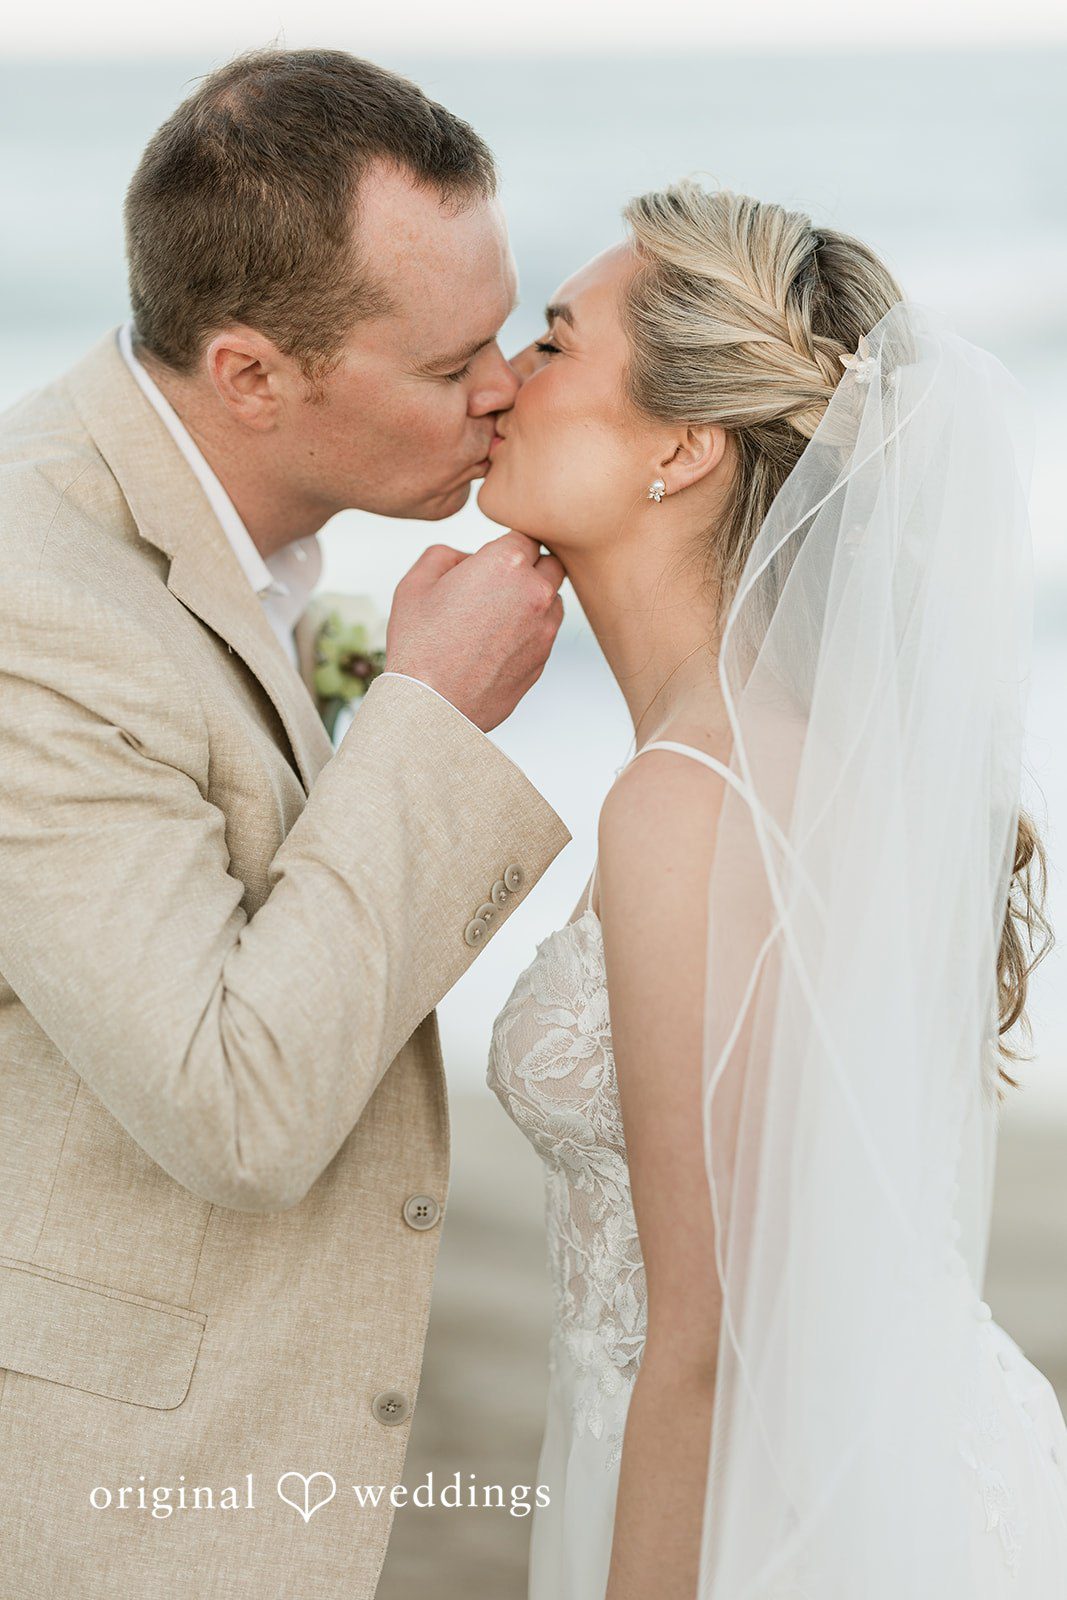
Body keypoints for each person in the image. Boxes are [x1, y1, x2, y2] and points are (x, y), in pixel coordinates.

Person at [0, 48, 571, 1599]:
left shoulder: (251, 540)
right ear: (253, 374)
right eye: (451, 367)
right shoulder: (33, 610)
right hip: (115, 1517)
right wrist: (427, 719)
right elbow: (233, 1106)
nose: (507, 388)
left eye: (507, 330)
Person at [483, 181, 1067, 1598]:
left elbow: (713, 1334)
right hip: (898, 1452)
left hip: (785, 1504)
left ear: (680, 448)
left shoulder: (690, 801)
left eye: (555, 343)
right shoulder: (779, 759)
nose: (500, 380)